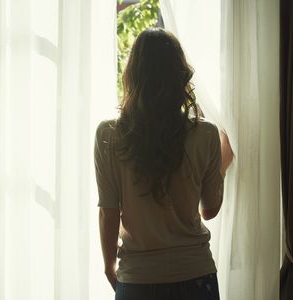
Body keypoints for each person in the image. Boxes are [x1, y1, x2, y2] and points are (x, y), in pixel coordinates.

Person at [94, 28, 234, 300]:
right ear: (179, 75)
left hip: (138, 277)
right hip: (195, 275)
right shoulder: (204, 134)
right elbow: (210, 210)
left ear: (133, 74)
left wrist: (110, 267)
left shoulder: (109, 134)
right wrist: (221, 168)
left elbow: (108, 212)